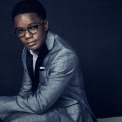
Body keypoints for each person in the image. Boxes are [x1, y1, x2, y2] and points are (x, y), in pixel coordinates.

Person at [0, 0, 97, 122]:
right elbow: (26, 91)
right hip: (46, 108)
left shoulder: (64, 55)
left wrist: (2, 105)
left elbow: (40, 104)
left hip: (70, 113)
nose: (27, 35)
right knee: (7, 116)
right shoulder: (27, 51)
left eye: (33, 27)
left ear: (45, 25)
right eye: (21, 30)